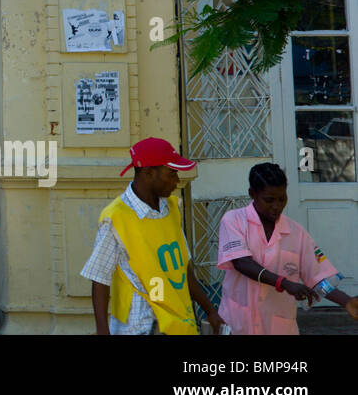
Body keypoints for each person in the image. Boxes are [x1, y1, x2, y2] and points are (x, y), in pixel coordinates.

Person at [80, 137, 224, 335]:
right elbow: (99, 278)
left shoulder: (171, 208)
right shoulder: (115, 218)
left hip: (175, 323)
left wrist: (210, 311)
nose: (177, 181)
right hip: (138, 326)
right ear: (149, 173)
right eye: (172, 173)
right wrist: (102, 330)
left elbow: (183, 268)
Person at [216, 162, 358, 334]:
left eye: (282, 199)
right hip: (239, 322)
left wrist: (346, 301)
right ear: (252, 194)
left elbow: (318, 277)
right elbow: (241, 262)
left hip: (279, 326)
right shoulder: (234, 221)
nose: (276, 206)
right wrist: (283, 283)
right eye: (269, 200)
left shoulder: (296, 233)